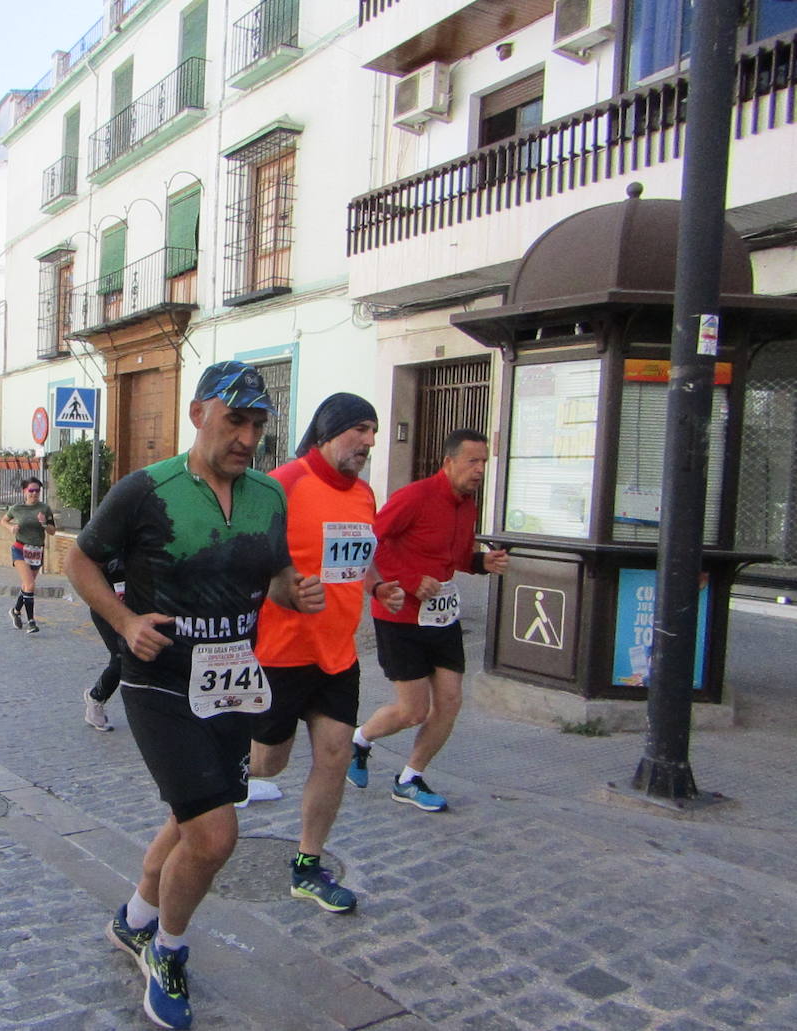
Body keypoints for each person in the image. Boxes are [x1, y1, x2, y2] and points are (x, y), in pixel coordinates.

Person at [65, 360, 324, 1031]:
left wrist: (292, 589)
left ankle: (133, 920)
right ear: (198, 413)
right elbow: (79, 559)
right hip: (159, 683)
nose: (247, 437)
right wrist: (123, 622)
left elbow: (269, 569)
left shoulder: (270, 495)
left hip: (231, 684)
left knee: (187, 819)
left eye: (258, 424)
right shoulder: (146, 489)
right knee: (213, 835)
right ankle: (169, 950)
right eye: (236, 419)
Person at [248, 394, 405, 914]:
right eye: (360, 429)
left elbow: (363, 556)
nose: (370, 441)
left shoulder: (363, 495)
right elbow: (250, 561)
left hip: (336, 655)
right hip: (281, 651)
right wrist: (283, 590)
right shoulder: (283, 484)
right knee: (268, 763)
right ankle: (212, 774)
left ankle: (307, 867)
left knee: (335, 754)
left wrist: (379, 588)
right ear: (328, 430)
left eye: (374, 431)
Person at [349, 429, 510, 813]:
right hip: (399, 614)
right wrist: (405, 580)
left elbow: (452, 557)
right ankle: (361, 738)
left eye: (484, 462)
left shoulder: (467, 504)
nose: (479, 470)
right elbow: (370, 543)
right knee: (412, 711)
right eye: (472, 461)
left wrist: (479, 562)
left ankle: (410, 778)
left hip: (441, 617)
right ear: (448, 462)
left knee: (451, 701)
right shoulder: (415, 497)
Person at [0, 477, 55, 634]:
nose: (34, 494)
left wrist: (44, 523)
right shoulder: (17, 508)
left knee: (26, 586)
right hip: (20, 549)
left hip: (37, 551)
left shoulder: (44, 508)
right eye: (31, 490)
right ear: (24, 491)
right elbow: (3, 520)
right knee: (30, 585)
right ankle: (31, 622)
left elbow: (52, 531)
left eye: (37, 491)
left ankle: (16, 611)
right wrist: (10, 528)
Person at [83, 555, 126, 732]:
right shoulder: (105, 544)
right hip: (105, 610)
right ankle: (96, 697)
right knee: (120, 658)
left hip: (132, 611)